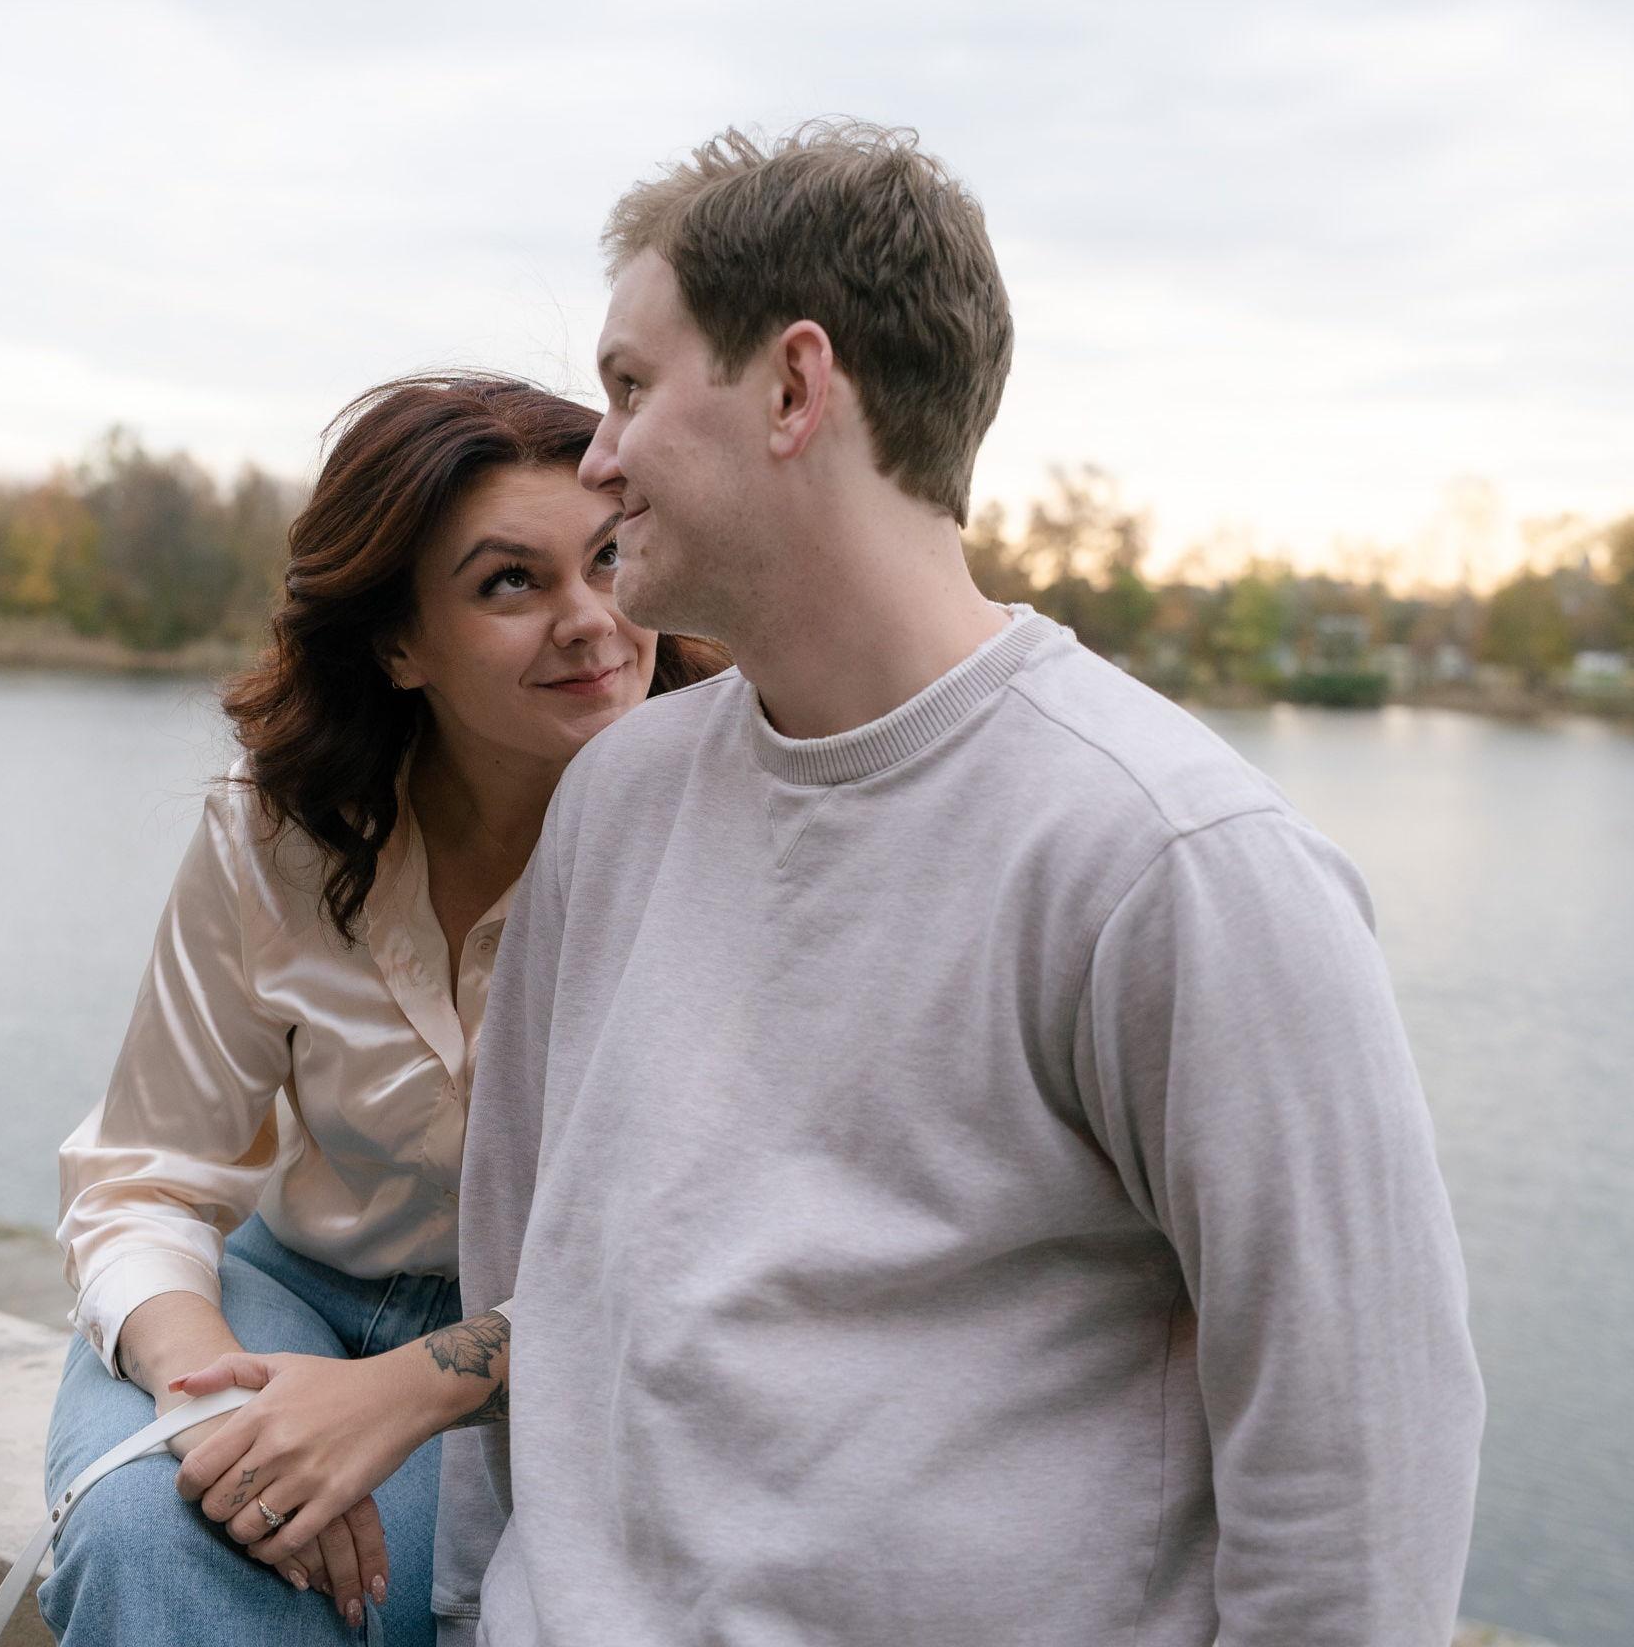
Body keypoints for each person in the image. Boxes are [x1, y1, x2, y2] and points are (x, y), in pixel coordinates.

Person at [179, 123, 1486, 1646]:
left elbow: (1354, 1479)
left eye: (630, 388)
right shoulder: (617, 802)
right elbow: (536, 1273)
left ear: (795, 389)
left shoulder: (1171, 862)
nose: (597, 458)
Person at [43, 373, 722, 1647]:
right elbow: (145, 1170)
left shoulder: (729, 830)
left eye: (608, 557)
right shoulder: (277, 829)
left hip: (560, 1362)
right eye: (510, 581)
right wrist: (215, 1406)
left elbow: (717, 1248)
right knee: (149, 1528)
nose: (592, 620)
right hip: (285, 1294)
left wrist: (392, 1399)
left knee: (318, 1593)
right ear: (398, 645)